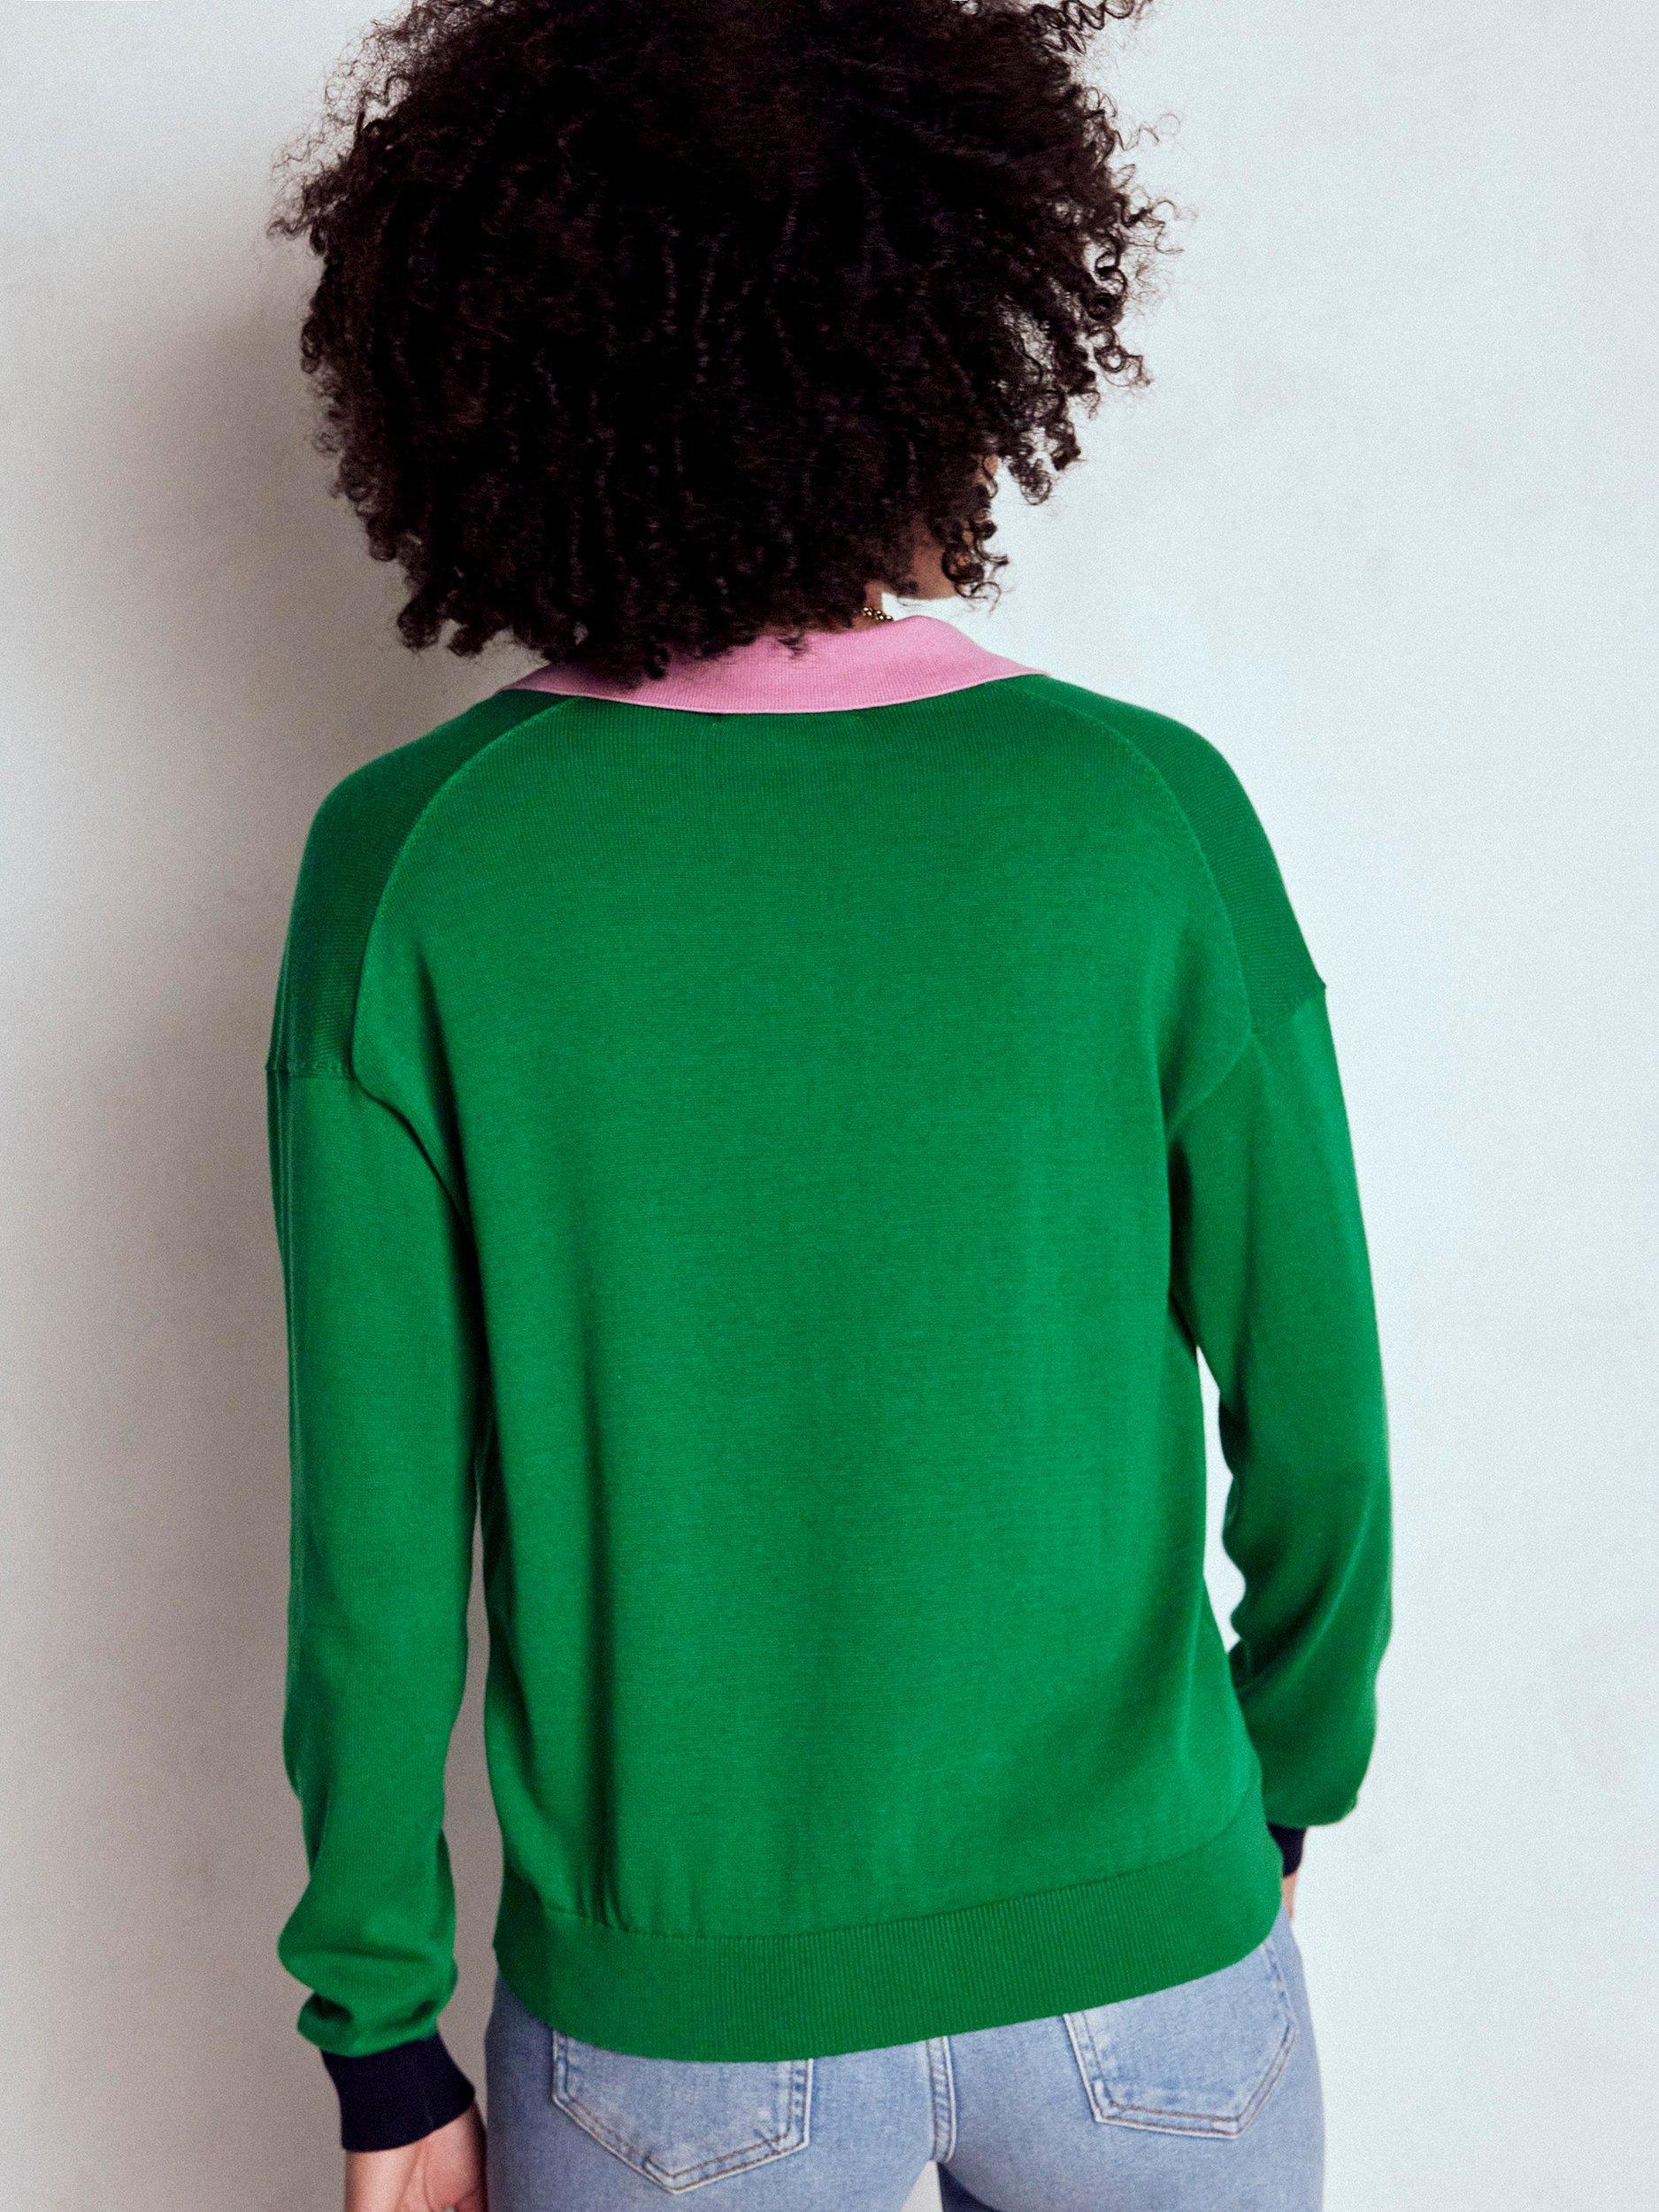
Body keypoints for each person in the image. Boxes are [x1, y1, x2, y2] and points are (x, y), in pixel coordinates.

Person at [264, 3, 1392, 2208]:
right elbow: (1323, 1421)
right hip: (1153, 1976)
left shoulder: (415, 868)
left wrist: (380, 2030)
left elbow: (373, 1546)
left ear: (497, 380)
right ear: (949, 341)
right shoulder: (1140, 812)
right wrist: (1273, 1786)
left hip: (677, 2038)